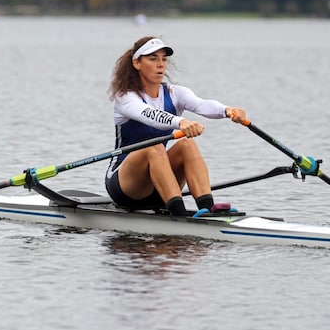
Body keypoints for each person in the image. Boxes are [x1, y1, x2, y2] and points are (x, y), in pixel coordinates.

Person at [105, 36, 247, 217]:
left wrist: (228, 110)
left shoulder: (174, 93)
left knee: (187, 144)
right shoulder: (125, 97)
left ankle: (208, 208)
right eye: (153, 58)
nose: (160, 64)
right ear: (137, 63)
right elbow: (150, 115)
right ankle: (178, 214)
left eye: (163, 59)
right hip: (126, 186)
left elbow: (202, 105)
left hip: (160, 187)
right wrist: (180, 122)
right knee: (154, 148)